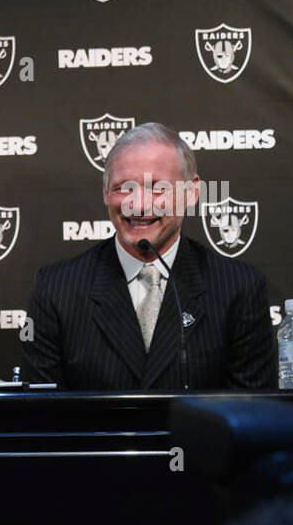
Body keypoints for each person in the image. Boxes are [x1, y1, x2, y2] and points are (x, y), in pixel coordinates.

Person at [22, 122, 275, 390]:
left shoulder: (238, 288)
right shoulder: (56, 289)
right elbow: (43, 419)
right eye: (123, 188)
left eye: (157, 188)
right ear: (106, 193)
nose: (139, 204)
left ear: (191, 193)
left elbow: (252, 416)